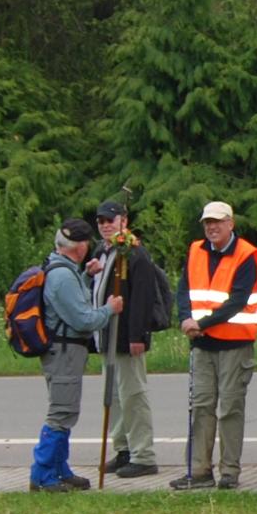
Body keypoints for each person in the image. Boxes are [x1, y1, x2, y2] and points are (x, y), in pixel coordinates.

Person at [173, 201, 257, 491]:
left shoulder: (249, 255)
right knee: (200, 406)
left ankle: (229, 472)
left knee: (230, 409)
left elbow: (238, 300)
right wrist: (186, 318)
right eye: (207, 222)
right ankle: (199, 470)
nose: (212, 227)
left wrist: (202, 323)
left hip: (235, 343)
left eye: (218, 222)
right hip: (202, 344)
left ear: (230, 223)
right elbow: (183, 289)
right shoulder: (195, 250)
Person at [29, 219, 123, 492]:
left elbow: (67, 304)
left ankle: (60, 469)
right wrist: (109, 309)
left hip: (65, 351)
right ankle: (42, 475)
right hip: (65, 352)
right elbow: (82, 319)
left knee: (66, 411)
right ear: (80, 247)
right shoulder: (61, 276)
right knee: (60, 413)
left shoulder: (63, 270)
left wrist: (85, 276)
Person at [90, 201, 171, 480]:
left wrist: (138, 335)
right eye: (100, 221)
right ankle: (123, 448)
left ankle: (143, 454)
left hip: (126, 337)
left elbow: (143, 298)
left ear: (124, 220)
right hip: (106, 336)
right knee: (113, 395)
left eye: (110, 220)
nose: (105, 225)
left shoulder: (135, 253)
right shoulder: (102, 252)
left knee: (133, 396)